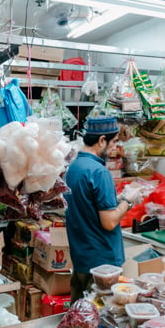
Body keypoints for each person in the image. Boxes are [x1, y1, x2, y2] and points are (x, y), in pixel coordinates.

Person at [64, 116, 141, 300]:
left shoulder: (74, 167)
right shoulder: (99, 172)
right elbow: (109, 221)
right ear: (101, 141)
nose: (115, 147)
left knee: (79, 315)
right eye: (114, 141)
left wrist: (118, 198)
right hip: (102, 264)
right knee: (102, 318)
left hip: (81, 258)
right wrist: (129, 200)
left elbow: (88, 205)